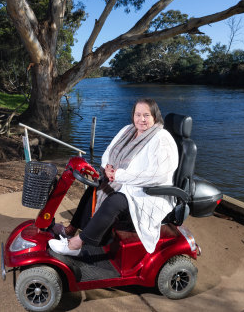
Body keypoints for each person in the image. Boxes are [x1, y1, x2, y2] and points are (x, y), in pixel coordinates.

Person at [48, 98, 179, 256]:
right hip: (124, 182)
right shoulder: (128, 130)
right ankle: (71, 229)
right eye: (138, 115)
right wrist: (108, 168)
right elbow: (109, 152)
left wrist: (119, 175)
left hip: (147, 192)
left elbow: (158, 175)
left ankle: (76, 244)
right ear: (133, 116)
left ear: (155, 117)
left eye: (146, 115)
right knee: (96, 186)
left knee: (115, 201)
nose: (141, 119)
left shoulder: (162, 139)